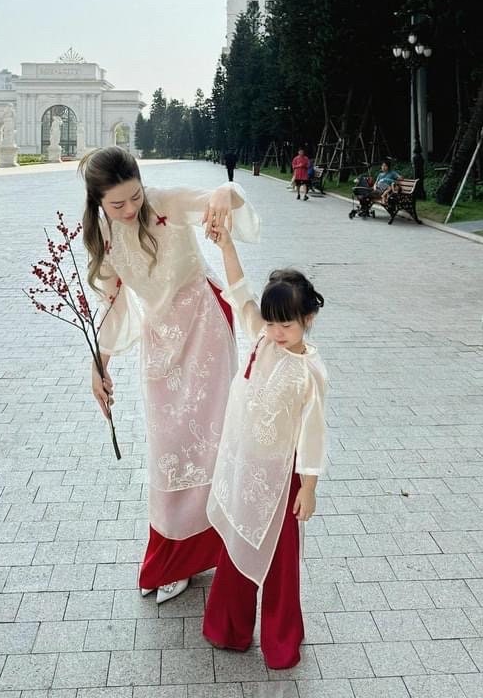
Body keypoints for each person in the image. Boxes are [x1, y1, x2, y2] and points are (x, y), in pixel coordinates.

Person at [79, 147, 260, 604]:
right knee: (170, 448)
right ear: (97, 201)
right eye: (116, 204)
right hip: (160, 342)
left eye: (134, 197)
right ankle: (175, 552)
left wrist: (222, 191)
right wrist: (99, 363)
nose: (130, 210)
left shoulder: (164, 202)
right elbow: (115, 303)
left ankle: (200, 554)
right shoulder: (102, 234)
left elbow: (231, 196)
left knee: (210, 440)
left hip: (205, 327)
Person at [202, 224, 327, 669]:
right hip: (245, 463)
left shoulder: (310, 370)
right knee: (237, 539)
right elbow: (239, 290)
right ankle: (227, 628)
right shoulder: (260, 337)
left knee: (279, 558)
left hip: (282, 475)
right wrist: (226, 244)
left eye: (286, 324)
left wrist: (308, 486)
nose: (276, 331)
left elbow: (314, 432)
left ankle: (281, 640)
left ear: (307, 319)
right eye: (271, 322)